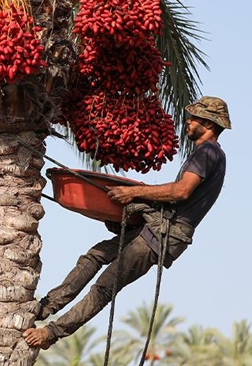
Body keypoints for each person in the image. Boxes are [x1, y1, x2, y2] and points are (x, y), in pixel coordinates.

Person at [23, 96, 231, 349]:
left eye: (194, 118)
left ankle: (51, 333)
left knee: (104, 288)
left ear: (208, 123)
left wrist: (134, 193)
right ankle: (46, 307)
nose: (187, 121)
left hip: (163, 235)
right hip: (154, 226)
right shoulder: (208, 153)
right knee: (96, 254)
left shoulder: (208, 152)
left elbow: (181, 192)